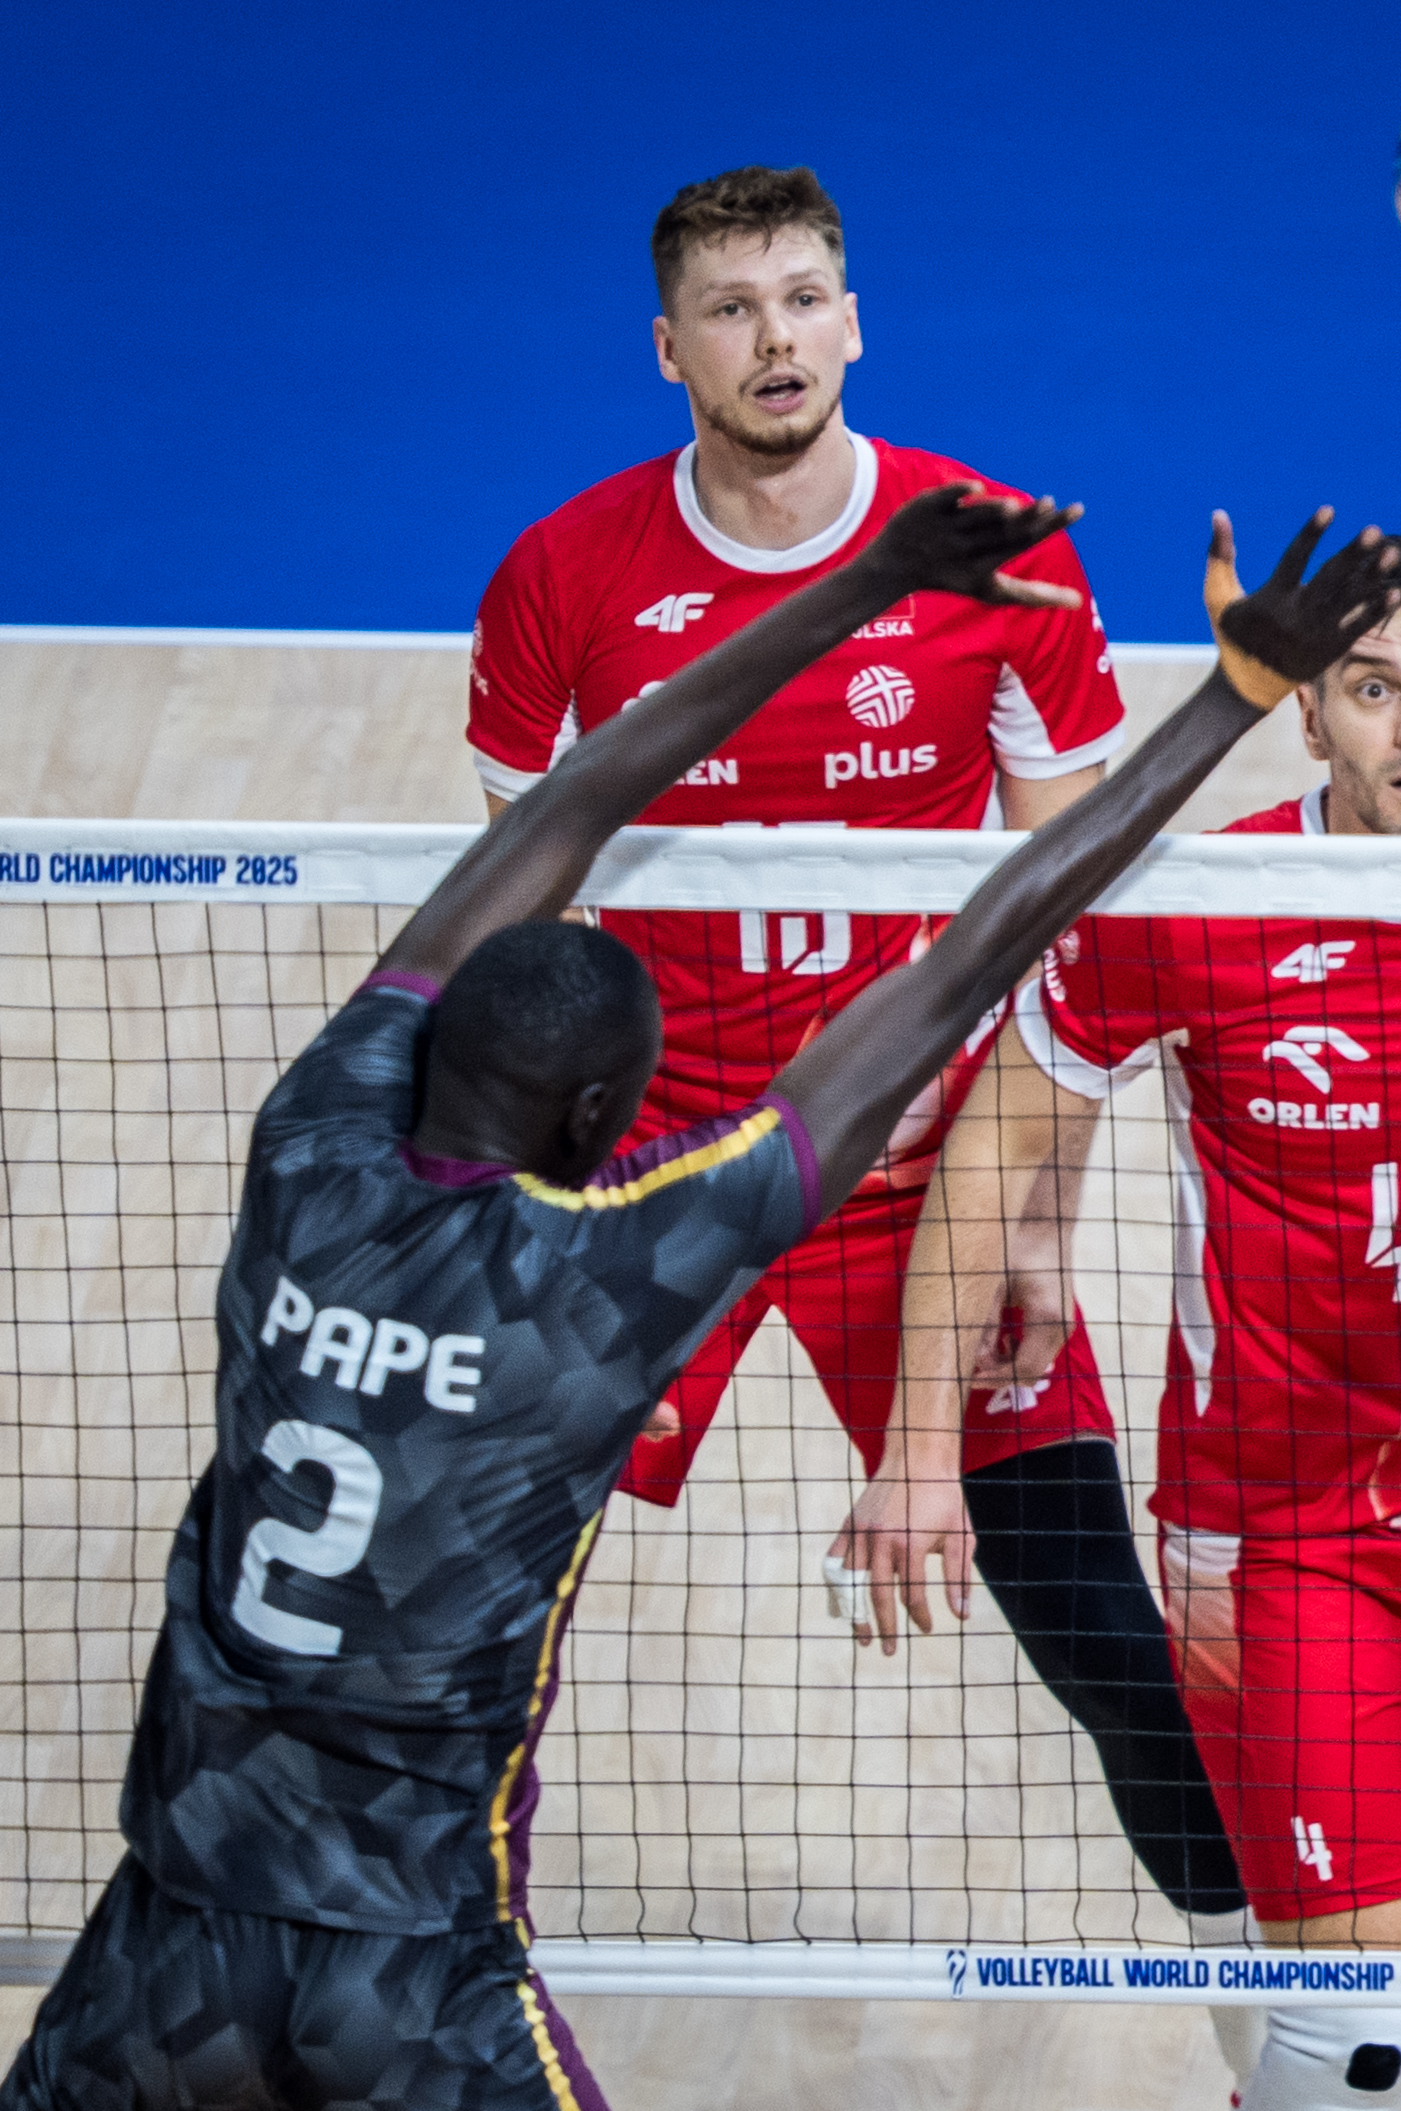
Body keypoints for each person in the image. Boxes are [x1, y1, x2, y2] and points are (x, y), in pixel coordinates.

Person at [0, 487, 1398, 2111]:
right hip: (408, 1980)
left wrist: (861, 575)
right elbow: (968, 955)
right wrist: (1228, 697)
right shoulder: (603, 1275)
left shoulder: (310, 1139)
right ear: (604, 1129)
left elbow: (577, 799)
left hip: (161, 1938)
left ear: (424, 1032)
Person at [463, 164, 1260, 2033]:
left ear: (856, 319)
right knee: (485, 1577)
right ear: (670, 348)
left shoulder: (993, 554)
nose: (776, 340)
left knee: (1092, 1619)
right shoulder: (563, 575)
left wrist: (1035, 1196)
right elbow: (509, 909)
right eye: (733, 311)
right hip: (648, 1146)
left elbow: (1073, 908)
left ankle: (1279, 2027)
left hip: (916, 1149)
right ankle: (437, 1941)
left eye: (806, 299)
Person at [837, 529, 1401, 2111]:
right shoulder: (1201, 906)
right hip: (1275, 1540)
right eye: (1372, 691)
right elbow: (990, 1151)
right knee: (1342, 2054)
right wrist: (917, 1452)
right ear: (1310, 716)